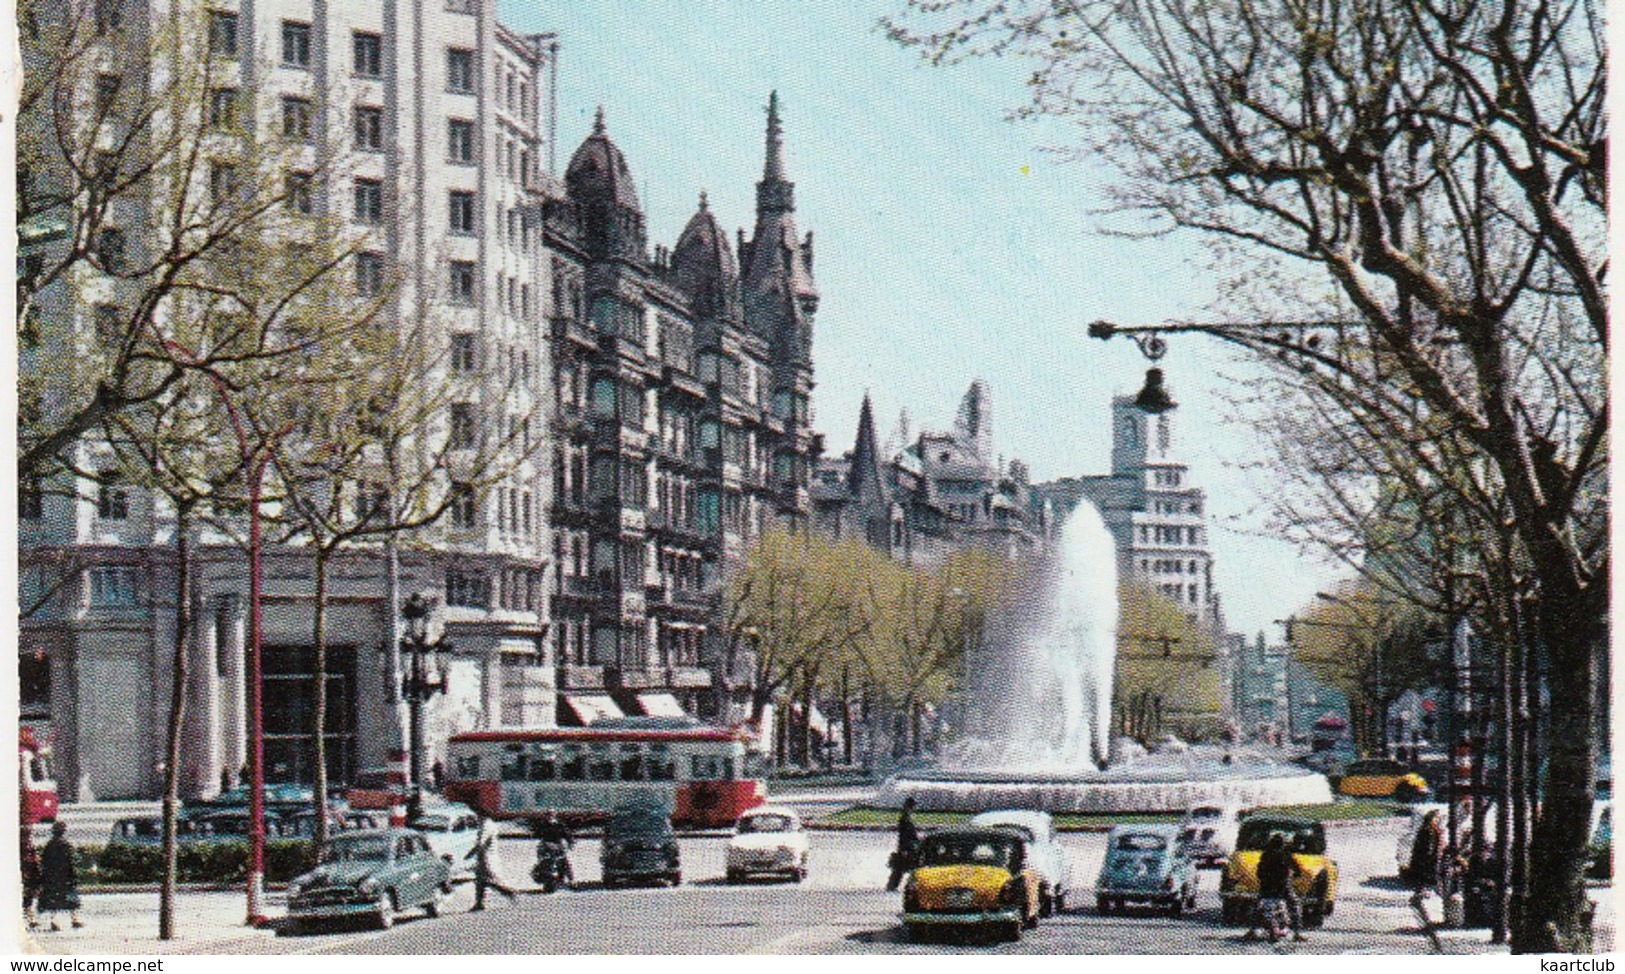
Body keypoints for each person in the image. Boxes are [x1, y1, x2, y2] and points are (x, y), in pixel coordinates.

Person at [1248, 832, 1305, 941]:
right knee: (1295, 905)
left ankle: (1252, 930)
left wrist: (1264, 879)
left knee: (1256, 906)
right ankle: (1297, 933)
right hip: (1283, 886)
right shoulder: (1286, 855)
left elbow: (1259, 872)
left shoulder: (1265, 854)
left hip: (1267, 886)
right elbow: (1298, 870)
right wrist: (1293, 875)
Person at [37, 822, 83, 931]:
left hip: (52, 877)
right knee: (72, 899)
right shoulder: (66, 845)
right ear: (64, 832)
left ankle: (54, 922)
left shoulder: (49, 845)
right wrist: (74, 876)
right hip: (65, 877)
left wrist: (44, 877)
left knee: (53, 901)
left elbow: (44, 862)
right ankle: (75, 920)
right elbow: (72, 862)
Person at [465, 814, 516, 911]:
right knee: (480, 881)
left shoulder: (486, 826)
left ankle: (508, 891)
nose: (475, 820)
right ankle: (479, 903)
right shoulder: (488, 824)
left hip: (486, 858)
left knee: (488, 880)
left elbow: (481, 843)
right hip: (485, 856)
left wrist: (470, 854)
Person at [885, 797, 919, 892]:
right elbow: (904, 836)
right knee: (901, 868)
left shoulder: (906, 818)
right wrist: (905, 849)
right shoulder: (905, 819)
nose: (913, 809)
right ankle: (892, 886)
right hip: (906, 847)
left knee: (901, 868)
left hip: (908, 847)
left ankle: (892, 886)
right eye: (912, 806)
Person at [534, 810, 575, 888]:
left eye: (552, 814)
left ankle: (570, 880)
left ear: (554, 815)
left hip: (557, 845)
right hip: (546, 845)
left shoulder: (559, 824)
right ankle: (543, 877)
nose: (550, 816)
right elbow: (537, 834)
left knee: (563, 861)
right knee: (543, 862)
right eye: (548, 815)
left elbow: (566, 834)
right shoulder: (543, 824)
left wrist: (570, 842)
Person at [1409, 810, 1444, 901]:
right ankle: (1428, 895)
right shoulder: (1429, 830)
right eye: (1436, 818)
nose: (1438, 820)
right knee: (1430, 879)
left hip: (1428, 859)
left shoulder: (1428, 829)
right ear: (1431, 819)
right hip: (1428, 860)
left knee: (1429, 880)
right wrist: (1432, 857)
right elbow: (1429, 847)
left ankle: (1424, 894)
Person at [21, 829, 42, 931]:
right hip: (28, 877)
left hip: (28, 877)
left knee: (28, 899)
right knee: (27, 899)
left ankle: (30, 920)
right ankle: (29, 920)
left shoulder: (27, 847)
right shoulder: (27, 848)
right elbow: (36, 861)